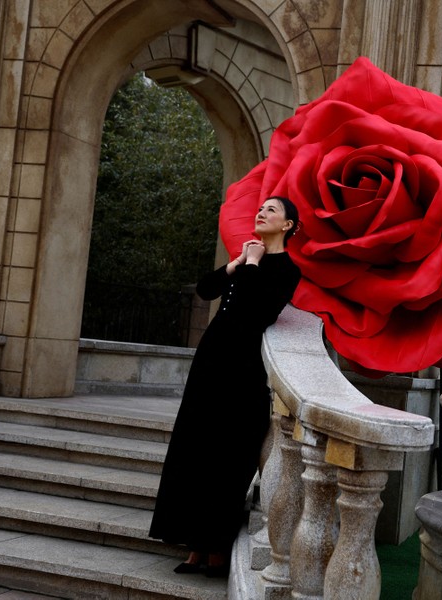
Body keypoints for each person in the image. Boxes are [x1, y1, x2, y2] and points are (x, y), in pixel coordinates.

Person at [149, 196, 301, 577]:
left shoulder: (286, 270)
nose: (262, 212)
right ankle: (194, 548)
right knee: (195, 450)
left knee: (228, 457)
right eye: (261, 207)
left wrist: (250, 265)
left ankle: (217, 549)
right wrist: (234, 264)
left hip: (243, 372)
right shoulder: (245, 262)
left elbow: (256, 310)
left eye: (272, 210)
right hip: (211, 365)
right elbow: (205, 289)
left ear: (287, 226)